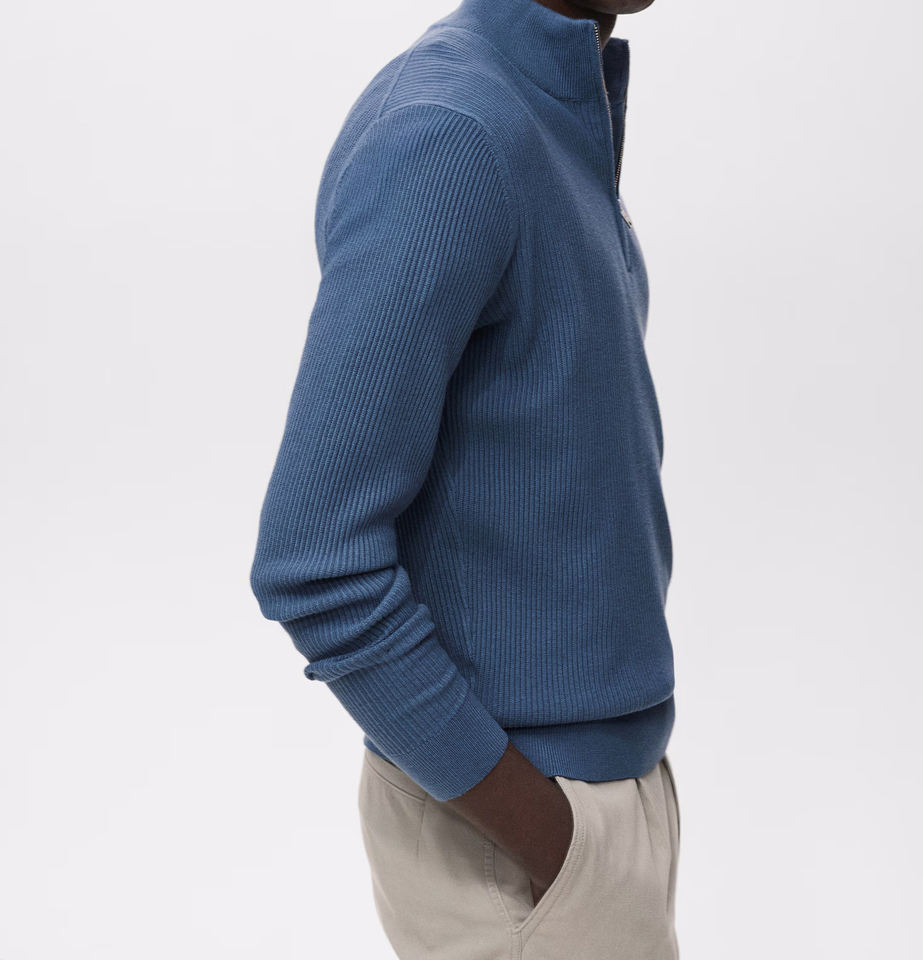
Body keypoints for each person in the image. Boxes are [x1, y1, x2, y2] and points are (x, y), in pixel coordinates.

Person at [250, 0, 680, 955]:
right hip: (514, 832)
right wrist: (552, 841)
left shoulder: (545, 103)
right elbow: (313, 563)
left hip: (588, 799)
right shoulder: (451, 132)